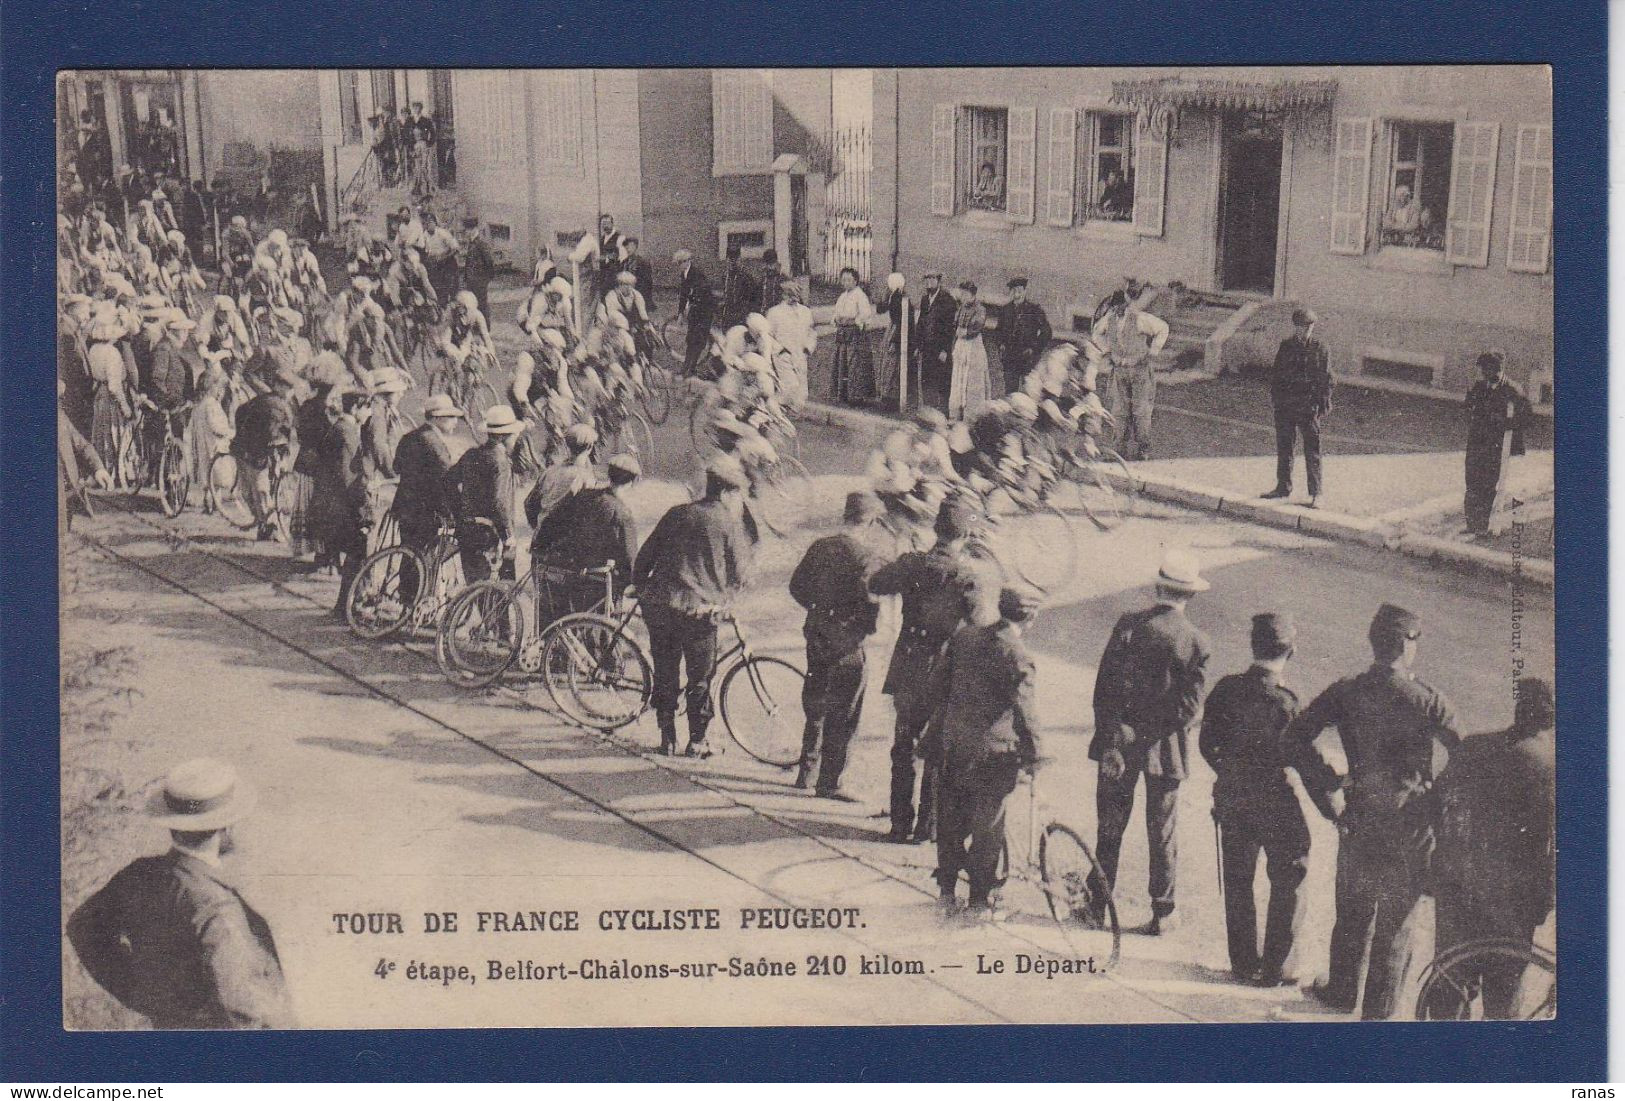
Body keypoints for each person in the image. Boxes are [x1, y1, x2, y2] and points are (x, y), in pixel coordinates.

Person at [1285, 603, 1462, 1019]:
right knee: (1397, 922)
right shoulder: (1429, 700)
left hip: (1359, 815)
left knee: (1352, 909)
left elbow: (1295, 738)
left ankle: (1342, 993)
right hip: (1410, 826)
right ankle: (1378, 1014)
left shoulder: (1346, 691)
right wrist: (1433, 799)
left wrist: (1333, 780)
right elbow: (1464, 757)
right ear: (1405, 645)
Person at [66, 758, 295, 1029]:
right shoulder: (217, 909)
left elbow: (84, 927)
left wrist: (144, 995)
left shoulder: (141, 874)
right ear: (226, 829)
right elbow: (245, 1012)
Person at [1089, 549, 1213, 936]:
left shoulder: (1128, 626)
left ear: (1158, 586)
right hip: (1164, 751)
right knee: (1162, 832)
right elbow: (1188, 709)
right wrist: (1145, 733)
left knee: (1110, 825)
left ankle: (1097, 904)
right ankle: (1163, 912)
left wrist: (1116, 736)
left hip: (1118, 746)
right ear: (1189, 594)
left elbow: (1103, 690)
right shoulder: (1197, 643)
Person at [1427, 677, 1555, 1019]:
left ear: (1518, 710)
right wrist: (1545, 900)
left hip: (1458, 887)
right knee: (1504, 995)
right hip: (1514, 900)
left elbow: (1434, 805)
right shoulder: (1551, 766)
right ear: (1551, 719)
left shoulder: (1472, 747)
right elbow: (1553, 849)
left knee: (1449, 984)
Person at [869, 497, 994, 843]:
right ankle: (928, 826)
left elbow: (877, 583)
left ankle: (899, 824)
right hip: (944, 671)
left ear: (936, 530)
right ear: (965, 535)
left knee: (903, 745)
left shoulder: (913, 564)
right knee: (937, 752)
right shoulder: (967, 576)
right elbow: (980, 626)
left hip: (909, 665)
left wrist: (905, 563)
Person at [1199, 613, 1312, 985]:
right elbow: (1300, 756)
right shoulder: (1287, 703)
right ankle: (1277, 966)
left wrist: (1228, 771)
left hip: (1232, 797)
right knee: (1291, 874)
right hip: (1275, 802)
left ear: (1252, 647)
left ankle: (1244, 962)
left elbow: (1206, 744)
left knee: (1238, 878)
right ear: (1291, 652)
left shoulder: (1226, 689)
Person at [926, 583, 1043, 917]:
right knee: (988, 827)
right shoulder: (1017, 654)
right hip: (993, 753)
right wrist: (1038, 755)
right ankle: (979, 902)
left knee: (950, 819)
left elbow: (937, 686)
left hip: (955, 744)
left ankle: (946, 893)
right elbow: (1025, 710)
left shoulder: (965, 637)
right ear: (1030, 618)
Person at [632, 455, 756, 757]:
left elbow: (645, 556)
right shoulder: (728, 522)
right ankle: (697, 741)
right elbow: (742, 574)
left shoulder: (677, 513)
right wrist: (727, 599)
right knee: (700, 678)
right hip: (699, 612)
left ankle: (667, 738)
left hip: (660, 605)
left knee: (665, 668)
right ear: (728, 492)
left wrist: (639, 587)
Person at [789, 491, 887, 797]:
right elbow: (870, 604)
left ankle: (806, 772)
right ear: (869, 521)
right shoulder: (865, 558)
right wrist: (860, 629)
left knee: (815, 702)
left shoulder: (820, 546)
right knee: (844, 713)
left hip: (816, 632)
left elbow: (796, 587)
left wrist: (817, 609)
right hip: (846, 643)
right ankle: (830, 782)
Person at [532, 453, 642, 620]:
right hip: (596, 582)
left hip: (566, 572)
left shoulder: (584, 496)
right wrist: (634, 583)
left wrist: (540, 547)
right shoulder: (621, 513)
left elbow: (551, 522)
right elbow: (629, 557)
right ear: (633, 482)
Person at [389, 392, 463, 603]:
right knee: (426, 558)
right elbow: (446, 481)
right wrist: (456, 511)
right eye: (451, 418)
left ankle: (407, 602)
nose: (455, 423)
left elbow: (397, 467)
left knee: (410, 554)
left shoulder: (408, 437)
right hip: (426, 511)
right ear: (437, 418)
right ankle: (422, 605)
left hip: (405, 506)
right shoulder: (434, 443)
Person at [443, 405, 526, 584]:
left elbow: (449, 481)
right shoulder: (500, 461)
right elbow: (499, 503)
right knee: (499, 593)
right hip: (490, 535)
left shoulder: (472, 454)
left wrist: (461, 514)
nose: (516, 439)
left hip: (467, 530)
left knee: (476, 587)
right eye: (514, 435)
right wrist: (508, 536)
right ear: (504, 437)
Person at [1262, 307, 1334, 507]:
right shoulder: (1286, 347)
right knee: (1285, 448)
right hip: (1286, 405)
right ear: (1295, 327)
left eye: (1309, 327)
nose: (1306, 330)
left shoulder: (1321, 348)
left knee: (1312, 449)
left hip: (1308, 407)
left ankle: (1316, 493)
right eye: (1302, 327)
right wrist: (1277, 400)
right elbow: (1276, 375)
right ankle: (1283, 487)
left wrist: (1323, 403)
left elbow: (1327, 379)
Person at [1462, 350, 1533, 539]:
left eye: (1486, 369)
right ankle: (1471, 523)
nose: (1483, 373)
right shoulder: (1479, 386)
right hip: (1477, 442)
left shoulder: (1513, 390)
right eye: (1482, 369)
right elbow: (1467, 407)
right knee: (1472, 480)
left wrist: (1505, 424)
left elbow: (1526, 417)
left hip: (1497, 445)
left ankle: (1483, 525)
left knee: (1488, 483)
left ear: (1497, 369)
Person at [1091, 290, 1169, 460]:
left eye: (1120, 307)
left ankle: (1143, 449)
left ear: (1125, 305)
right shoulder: (1109, 319)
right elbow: (1096, 333)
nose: (1117, 310)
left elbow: (1163, 328)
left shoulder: (1139, 318)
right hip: (1119, 371)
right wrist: (1107, 351)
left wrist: (1153, 351)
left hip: (1140, 370)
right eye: (1114, 307)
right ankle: (1118, 449)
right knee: (1119, 410)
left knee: (1141, 411)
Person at [231, 372, 296, 541]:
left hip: (255, 449)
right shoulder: (271, 404)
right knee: (258, 489)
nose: (288, 391)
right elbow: (273, 431)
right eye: (286, 387)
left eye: (290, 388)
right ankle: (265, 524)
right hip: (252, 450)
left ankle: (266, 523)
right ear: (277, 386)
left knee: (259, 490)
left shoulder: (274, 402)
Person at [996, 277, 1052, 396]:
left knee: (1030, 390)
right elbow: (998, 331)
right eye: (1014, 291)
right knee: (1011, 393)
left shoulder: (1034, 310)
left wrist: (1034, 348)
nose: (1017, 294)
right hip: (1010, 357)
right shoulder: (1005, 310)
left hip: (1028, 357)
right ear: (1011, 292)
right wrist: (1001, 345)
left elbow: (1047, 332)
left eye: (1020, 290)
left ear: (1025, 291)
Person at [829, 266, 877, 406]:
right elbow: (836, 312)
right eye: (844, 280)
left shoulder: (860, 296)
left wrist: (853, 321)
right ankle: (843, 393)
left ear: (855, 281)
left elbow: (866, 314)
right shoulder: (843, 296)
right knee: (842, 362)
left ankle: (856, 396)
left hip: (855, 335)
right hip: (843, 334)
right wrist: (837, 319)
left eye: (849, 280)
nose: (846, 283)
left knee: (854, 364)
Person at [766, 280, 815, 410]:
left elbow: (811, 332)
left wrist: (808, 348)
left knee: (802, 392)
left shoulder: (805, 312)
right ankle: (774, 406)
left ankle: (793, 412)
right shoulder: (774, 312)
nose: (793, 297)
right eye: (789, 294)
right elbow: (768, 336)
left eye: (795, 294)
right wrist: (780, 350)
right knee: (790, 386)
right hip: (783, 355)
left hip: (800, 354)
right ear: (783, 295)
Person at [914, 270, 958, 413]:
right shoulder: (925, 299)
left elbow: (950, 327)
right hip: (927, 347)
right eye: (927, 280)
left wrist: (945, 349)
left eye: (932, 279)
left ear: (939, 281)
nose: (929, 282)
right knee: (927, 378)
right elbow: (921, 322)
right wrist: (918, 344)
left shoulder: (947, 300)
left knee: (942, 379)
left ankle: (943, 411)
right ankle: (928, 410)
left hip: (940, 349)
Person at [948, 282, 991, 420]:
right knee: (958, 379)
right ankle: (956, 414)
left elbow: (977, 325)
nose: (962, 296)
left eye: (965, 293)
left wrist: (966, 331)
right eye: (962, 293)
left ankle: (971, 416)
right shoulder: (961, 308)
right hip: (961, 346)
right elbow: (955, 323)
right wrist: (957, 331)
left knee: (972, 381)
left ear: (972, 294)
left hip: (973, 348)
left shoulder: (980, 309)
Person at [674, 249, 716, 377]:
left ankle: (691, 368)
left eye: (682, 262)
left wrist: (690, 305)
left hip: (704, 312)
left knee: (698, 341)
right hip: (695, 312)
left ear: (688, 261)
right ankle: (686, 367)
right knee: (690, 340)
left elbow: (700, 293)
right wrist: (681, 312)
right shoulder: (684, 274)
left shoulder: (697, 274)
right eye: (678, 263)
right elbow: (683, 294)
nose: (680, 265)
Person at [719, 244, 759, 332]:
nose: (732, 262)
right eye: (730, 259)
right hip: (728, 317)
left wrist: (744, 313)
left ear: (740, 259)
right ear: (727, 260)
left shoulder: (746, 277)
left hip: (741, 317)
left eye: (735, 259)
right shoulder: (725, 277)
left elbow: (753, 299)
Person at [620, 235, 655, 311]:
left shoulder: (643, 263)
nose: (628, 248)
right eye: (626, 246)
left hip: (639, 297)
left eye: (631, 246)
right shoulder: (624, 263)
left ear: (636, 247)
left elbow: (647, 283)